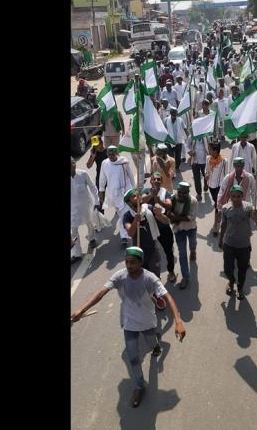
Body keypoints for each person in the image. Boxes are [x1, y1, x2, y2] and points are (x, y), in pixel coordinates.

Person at [70, 246, 186, 409]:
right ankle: (139, 386)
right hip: (129, 323)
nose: (129, 265)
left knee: (152, 342)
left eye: (132, 262)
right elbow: (101, 292)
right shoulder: (120, 276)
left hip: (147, 322)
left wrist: (178, 321)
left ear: (141, 262)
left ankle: (156, 346)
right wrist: (81, 309)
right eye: (127, 261)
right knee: (133, 358)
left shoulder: (150, 278)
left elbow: (167, 296)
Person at [218, 185, 257, 300]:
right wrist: (220, 239)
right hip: (229, 244)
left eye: (238, 196)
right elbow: (223, 224)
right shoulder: (225, 208)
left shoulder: (248, 207)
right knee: (228, 268)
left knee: (242, 269)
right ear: (230, 196)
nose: (236, 199)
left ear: (242, 196)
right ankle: (231, 282)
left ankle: (240, 288)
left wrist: (256, 217)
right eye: (233, 196)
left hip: (244, 246)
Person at [140, 173, 177, 284]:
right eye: (154, 179)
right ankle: (154, 276)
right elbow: (141, 201)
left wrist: (159, 200)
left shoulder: (165, 192)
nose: (156, 181)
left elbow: (169, 205)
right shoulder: (146, 191)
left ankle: (171, 271)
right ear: (150, 181)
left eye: (158, 179)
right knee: (149, 253)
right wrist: (152, 194)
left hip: (163, 227)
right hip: (149, 229)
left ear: (161, 181)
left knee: (168, 251)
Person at [98, 145, 136, 248]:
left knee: (123, 214)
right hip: (113, 194)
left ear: (117, 153)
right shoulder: (104, 163)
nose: (111, 156)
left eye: (113, 154)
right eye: (109, 154)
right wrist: (101, 191)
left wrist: (134, 190)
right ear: (107, 154)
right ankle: (128, 227)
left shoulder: (124, 162)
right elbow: (102, 178)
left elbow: (131, 176)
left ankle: (124, 237)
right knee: (121, 213)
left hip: (125, 192)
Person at [215, 157, 257, 235]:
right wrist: (219, 207)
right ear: (234, 165)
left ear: (243, 165)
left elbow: (254, 192)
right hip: (231, 205)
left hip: (245, 206)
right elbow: (221, 191)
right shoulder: (228, 177)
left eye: (241, 166)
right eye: (237, 166)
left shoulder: (249, 177)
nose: (239, 168)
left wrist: (254, 207)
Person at [169, 182, 198, 289]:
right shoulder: (172, 199)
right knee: (182, 254)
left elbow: (190, 217)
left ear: (188, 192)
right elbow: (168, 213)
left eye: (184, 193)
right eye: (179, 192)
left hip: (191, 228)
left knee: (192, 244)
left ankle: (193, 251)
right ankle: (185, 277)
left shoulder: (193, 201)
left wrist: (175, 217)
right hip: (179, 230)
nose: (181, 195)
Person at [71, 157, 99, 261]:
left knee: (90, 224)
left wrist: (96, 201)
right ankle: (77, 253)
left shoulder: (83, 174)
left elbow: (92, 187)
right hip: (72, 209)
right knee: (73, 229)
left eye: (73, 163)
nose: (72, 165)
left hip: (86, 205)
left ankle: (92, 239)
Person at [205, 142, 230, 235]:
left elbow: (227, 174)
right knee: (217, 204)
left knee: (217, 205)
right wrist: (206, 176)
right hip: (211, 185)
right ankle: (219, 216)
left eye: (210, 149)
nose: (209, 151)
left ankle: (216, 225)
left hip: (220, 187)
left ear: (215, 151)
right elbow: (206, 170)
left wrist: (226, 188)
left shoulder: (224, 161)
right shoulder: (208, 158)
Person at [187, 126, 209, 202]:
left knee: (206, 176)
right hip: (195, 161)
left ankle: (206, 184)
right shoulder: (191, 136)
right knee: (196, 178)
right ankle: (199, 193)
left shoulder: (206, 136)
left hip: (205, 161)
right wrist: (190, 151)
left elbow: (210, 145)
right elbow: (187, 146)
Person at [165, 109, 187, 173]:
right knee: (171, 158)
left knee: (178, 158)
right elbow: (164, 129)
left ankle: (177, 167)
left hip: (178, 142)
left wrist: (188, 136)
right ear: (171, 113)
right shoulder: (166, 120)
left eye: (175, 114)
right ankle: (172, 170)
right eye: (173, 113)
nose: (174, 115)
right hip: (170, 142)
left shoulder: (180, 120)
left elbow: (185, 128)